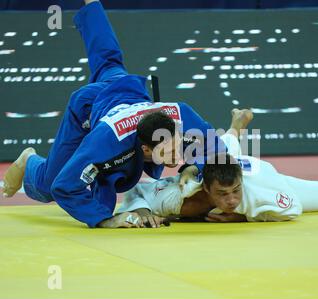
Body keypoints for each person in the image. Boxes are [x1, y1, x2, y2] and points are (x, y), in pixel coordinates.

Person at [2, 0, 226, 228]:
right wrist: (105, 219)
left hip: (123, 89)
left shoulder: (181, 115)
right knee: (48, 185)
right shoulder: (107, 142)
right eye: (168, 152)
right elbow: (65, 187)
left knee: (108, 59)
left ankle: (93, 4)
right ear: (146, 149)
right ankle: (28, 160)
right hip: (88, 110)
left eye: (176, 147)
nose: (175, 157)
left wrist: (193, 167)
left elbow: (215, 146)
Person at [117, 112, 318, 226]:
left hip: (258, 174)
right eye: (225, 195)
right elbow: (137, 190)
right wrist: (142, 213)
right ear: (204, 187)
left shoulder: (253, 195)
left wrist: (241, 216)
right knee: (225, 154)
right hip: (234, 166)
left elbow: (292, 207)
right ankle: (235, 127)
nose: (231, 200)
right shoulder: (174, 197)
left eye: (235, 194)